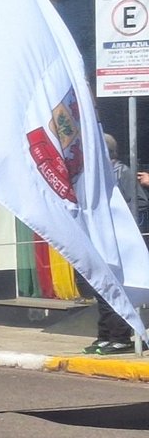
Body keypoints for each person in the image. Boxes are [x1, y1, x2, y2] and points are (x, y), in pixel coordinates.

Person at [83, 134, 146, 354]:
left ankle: (121, 337)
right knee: (101, 289)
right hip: (99, 239)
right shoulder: (93, 176)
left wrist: (121, 225)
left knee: (118, 288)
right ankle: (105, 335)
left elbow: (138, 203)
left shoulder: (122, 172)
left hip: (119, 241)